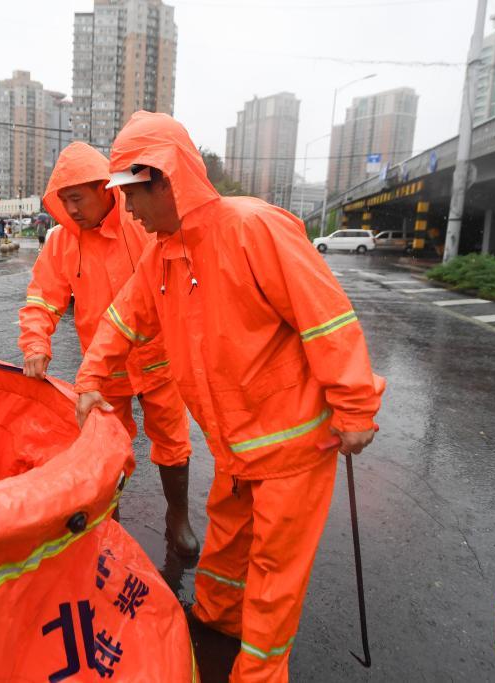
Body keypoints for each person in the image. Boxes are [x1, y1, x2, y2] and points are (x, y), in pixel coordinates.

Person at [74, 112, 385, 682]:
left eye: (133, 195)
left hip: (293, 446)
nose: (129, 211)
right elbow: (124, 318)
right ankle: (215, 622)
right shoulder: (163, 253)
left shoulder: (253, 228)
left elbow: (325, 318)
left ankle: (258, 674)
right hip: (234, 442)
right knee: (225, 545)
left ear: (163, 178)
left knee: (272, 572)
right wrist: (91, 379)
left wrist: (356, 406)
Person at [19, 141, 199, 557]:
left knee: (172, 439)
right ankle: (109, 522)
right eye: (63, 201)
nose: (72, 210)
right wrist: (35, 342)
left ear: (105, 188)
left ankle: (178, 516)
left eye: (77, 198)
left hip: (158, 358)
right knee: (107, 447)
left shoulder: (143, 221)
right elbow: (42, 299)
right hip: (104, 369)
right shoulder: (62, 242)